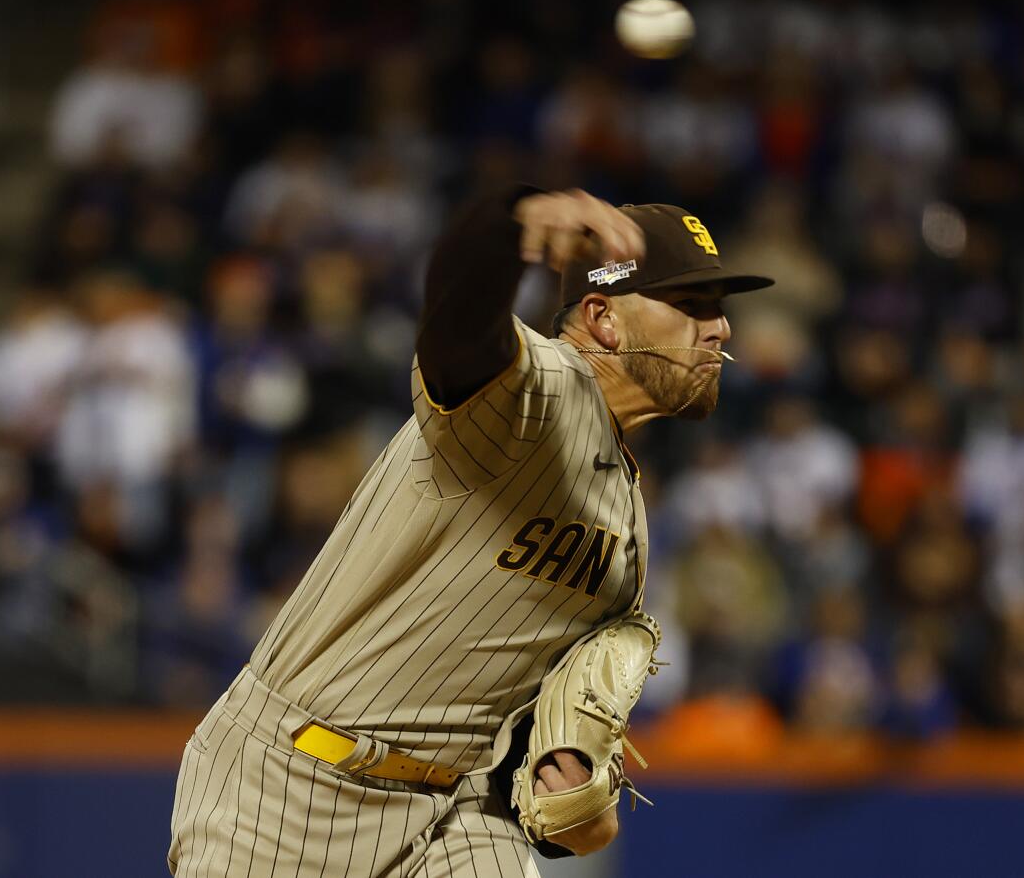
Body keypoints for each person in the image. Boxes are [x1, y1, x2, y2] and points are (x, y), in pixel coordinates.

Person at [168, 184, 772, 876]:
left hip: (453, 809)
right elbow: (457, 320)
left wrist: (568, 776)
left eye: (719, 309)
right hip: (291, 785)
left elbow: (530, 717)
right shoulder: (531, 392)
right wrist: (505, 223)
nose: (720, 328)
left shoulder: (627, 516)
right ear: (602, 317)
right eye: (692, 306)